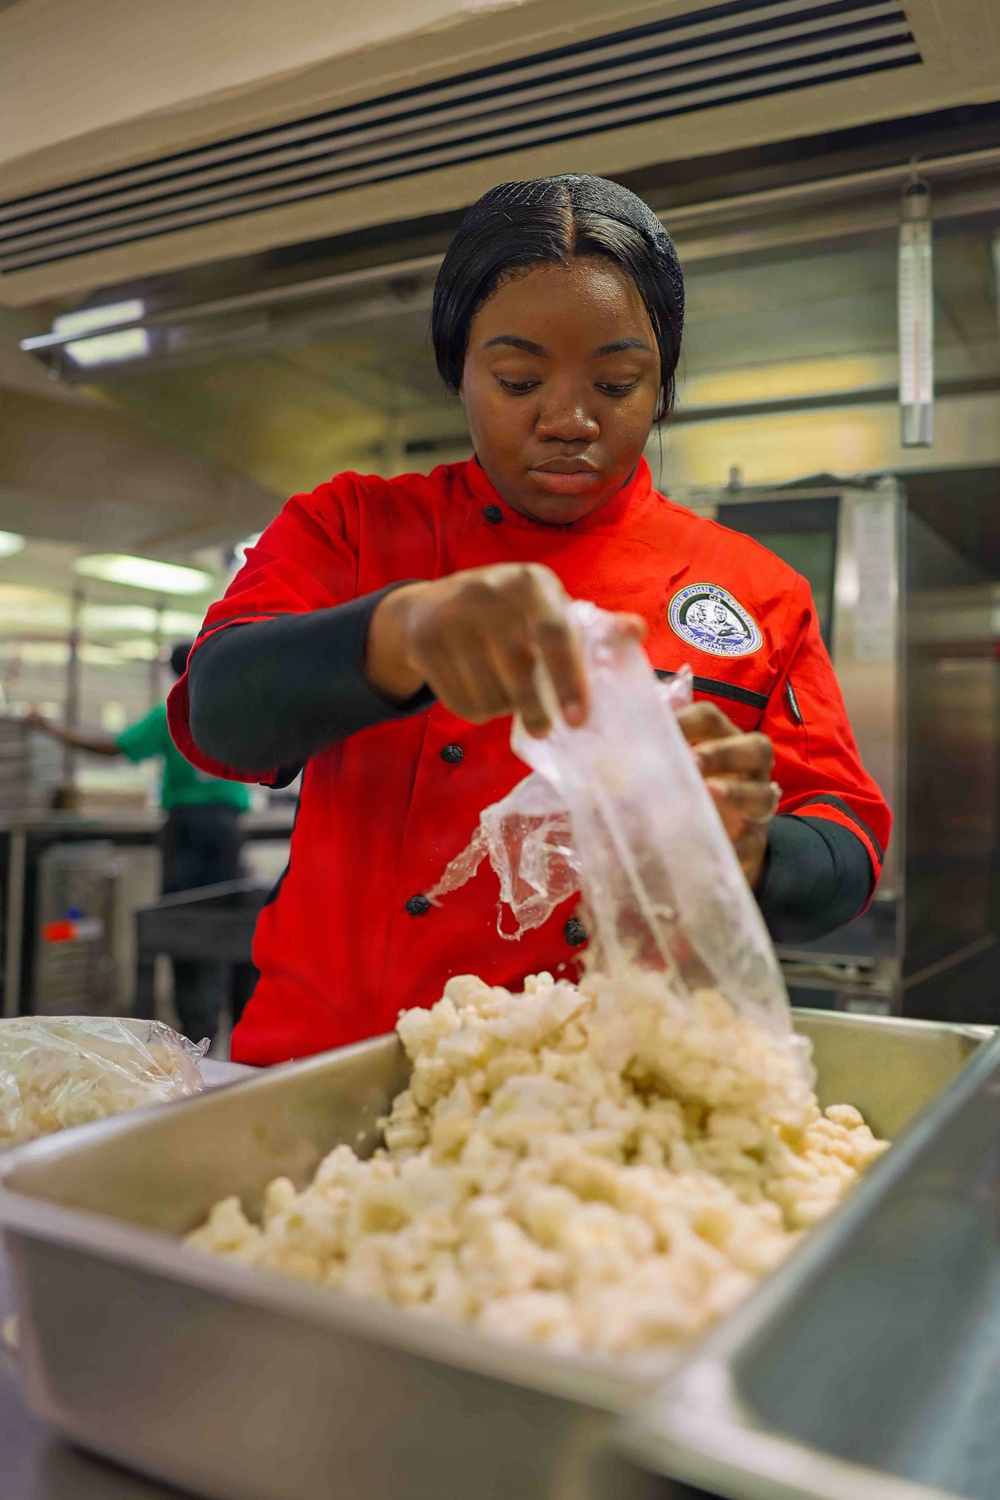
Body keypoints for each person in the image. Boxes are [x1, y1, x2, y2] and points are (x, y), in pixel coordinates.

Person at [169, 174, 891, 1067]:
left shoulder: (753, 590)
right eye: (518, 380)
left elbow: (848, 843)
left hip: (598, 1096)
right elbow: (221, 717)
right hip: (327, 1078)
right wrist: (400, 633)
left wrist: (745, 853)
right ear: (457, 372)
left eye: (618, 383)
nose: (570, 420)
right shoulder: (353, 527)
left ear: (663, 383)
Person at [29, 642, 249, 1043]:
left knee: (183, 927)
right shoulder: (236, 712)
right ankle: (233, 1034)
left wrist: (53, 730)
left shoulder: (174, 714)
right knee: (230, 927)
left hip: (187, 831)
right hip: (228, 831)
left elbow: (116, 748)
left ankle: (194, 1032)